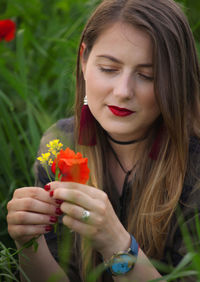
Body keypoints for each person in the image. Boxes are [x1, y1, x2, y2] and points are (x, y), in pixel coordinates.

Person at [7, 0, 200, 281]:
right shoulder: (60, 143)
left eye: (148, 75)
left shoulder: (194, 165)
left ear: (176, 80)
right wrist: (28, 243)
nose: (123, 91)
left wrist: (117, 244)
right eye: (109, 69)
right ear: (84, 60)